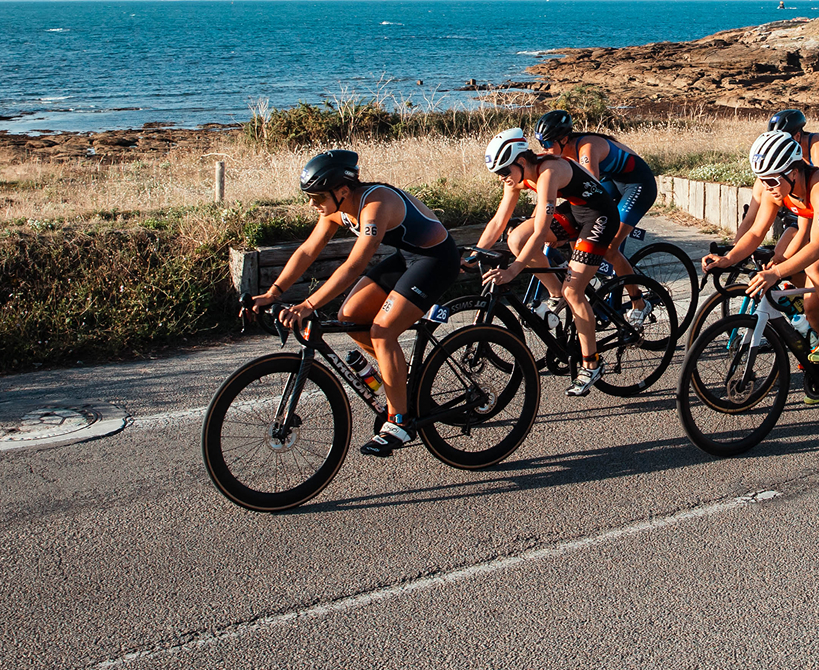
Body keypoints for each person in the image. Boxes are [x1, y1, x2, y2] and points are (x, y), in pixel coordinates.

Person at [253, 149, 459, 456]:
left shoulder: (375, 205)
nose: (313, 204)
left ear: (342, 191)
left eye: (318, 197)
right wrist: (274, 292)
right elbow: (308, 250)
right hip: (406, 258)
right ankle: (397, 383)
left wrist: (308, 304)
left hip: (436, 261)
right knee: (350, 314)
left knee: (382, 332)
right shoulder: (336, 208)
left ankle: (399, 423)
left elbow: (353, 265)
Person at [703, 131, 819, 400]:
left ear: (793, 172)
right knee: (812, 310)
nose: (767, 187)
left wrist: (775, 272)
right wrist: (729, 258)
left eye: (771, 180)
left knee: (817, 263)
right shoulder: (777, 190)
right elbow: (755, 233)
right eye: (762, 180)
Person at [476, 128, 618, 397]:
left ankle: (591, 364)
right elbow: (499, 221)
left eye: (505, 171)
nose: (503, 178)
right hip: (576, 210)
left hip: (600, 215)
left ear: (520, 162)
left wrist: (514, 270)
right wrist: (474, 254)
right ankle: (555, 293)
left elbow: (541, 231)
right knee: (516, 238)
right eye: (499, 174)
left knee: (573, 291)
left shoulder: (548, 172)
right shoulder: (517, 177)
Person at [534, 109, 659, 320]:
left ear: (564, 139)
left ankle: (639, 301)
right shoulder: (560, 151)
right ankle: (588, 279)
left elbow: (588, 183)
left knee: (610, 247)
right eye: (541, 144)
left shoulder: (587, 147)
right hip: (613, 181)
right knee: (579, 227)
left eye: (547, 143)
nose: (544, 149)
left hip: (638, 185)